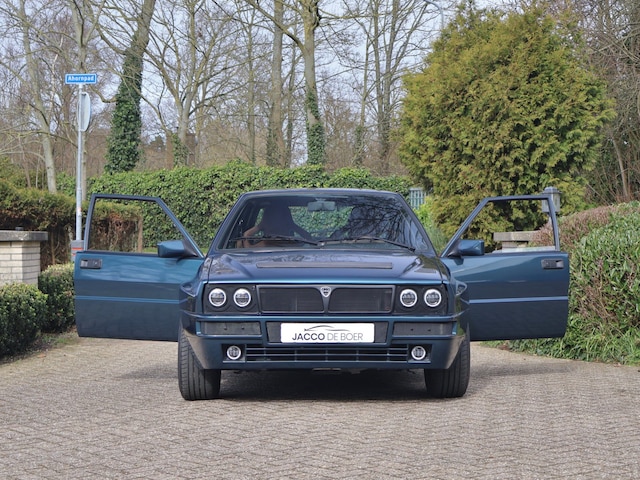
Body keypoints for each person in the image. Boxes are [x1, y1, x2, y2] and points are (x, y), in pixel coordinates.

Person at [238, 203, 309, 247]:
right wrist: (293, 226)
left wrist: (259, 226)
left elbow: (247, 243)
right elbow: (308, 238)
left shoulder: (264, 244)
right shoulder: (293, 244)